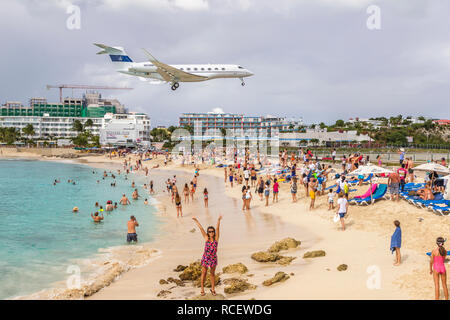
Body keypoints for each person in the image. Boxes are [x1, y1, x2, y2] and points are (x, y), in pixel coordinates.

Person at [192, 215, 222, 296]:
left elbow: (218, 229)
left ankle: (213, 289)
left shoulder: (216, 239)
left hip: (213, 258)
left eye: (212, 231)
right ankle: (202, 289)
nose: (211, 233)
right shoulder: (206, 238)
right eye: (209, 231)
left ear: (214, 232)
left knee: (212, 274)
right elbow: (201, 229)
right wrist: (196, 220)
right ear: (208, 232)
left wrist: (218, 220)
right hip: (206, 258)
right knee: (204, 273)